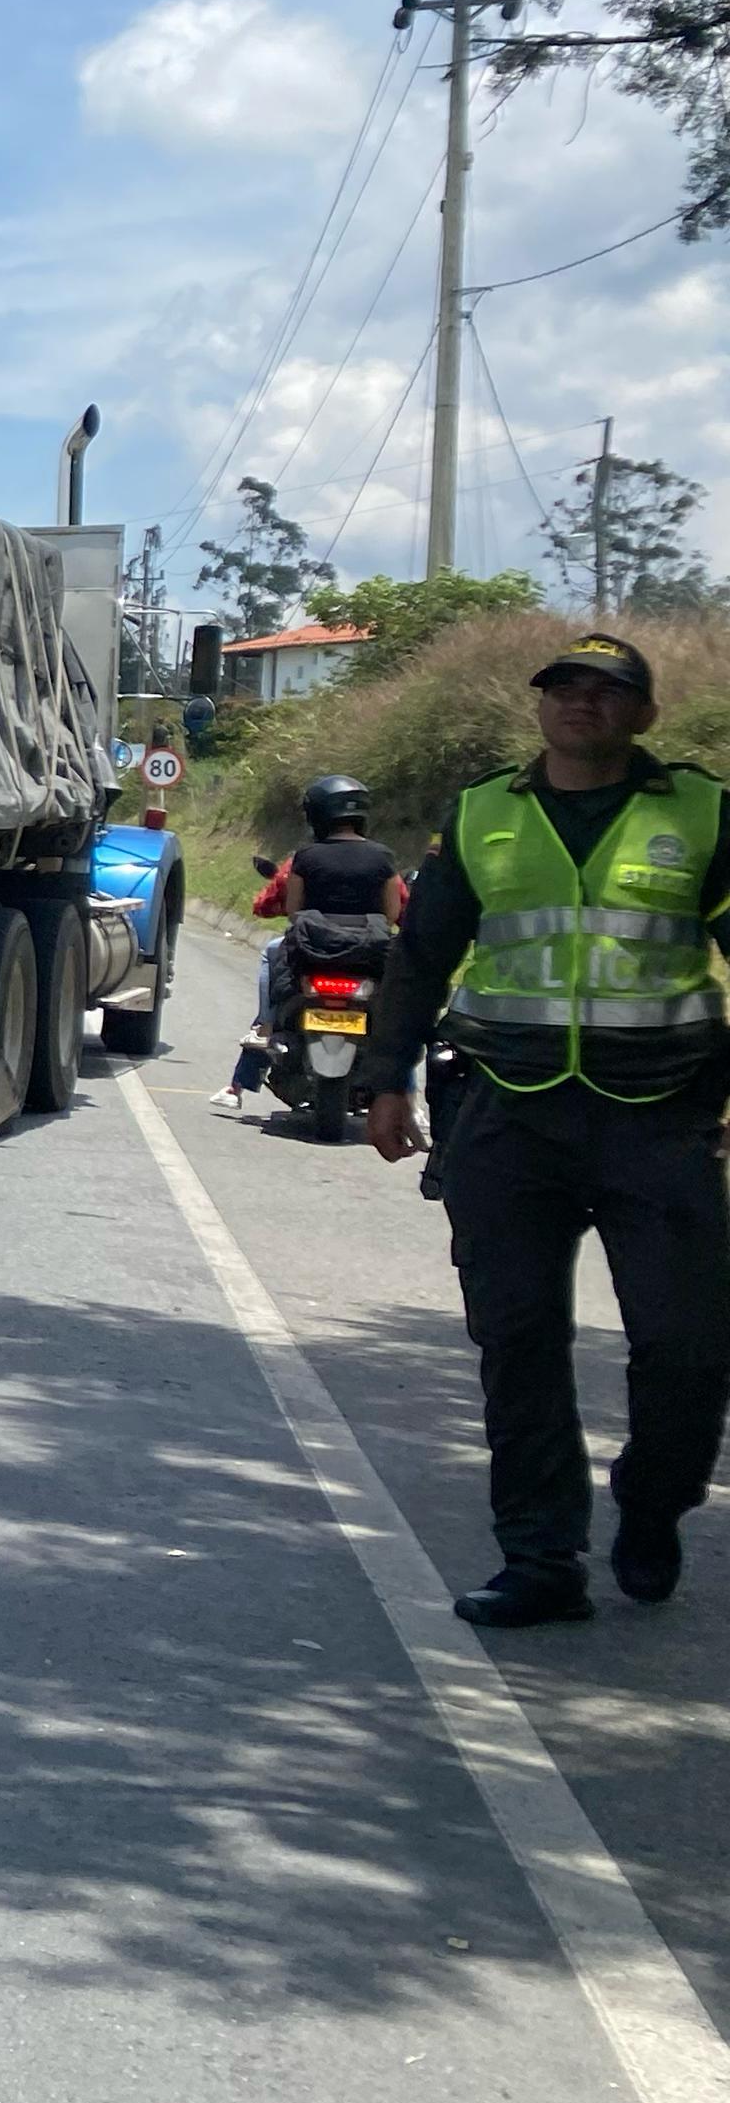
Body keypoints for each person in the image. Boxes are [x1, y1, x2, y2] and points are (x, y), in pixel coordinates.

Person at [357, 632, 730, 1626]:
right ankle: (540, 1559)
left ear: (645, 715)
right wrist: (383, 1076)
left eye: (608, 693)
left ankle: (654, 1506)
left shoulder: (701, 813)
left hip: (661, 1119)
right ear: (540, 707)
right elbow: (423, 953)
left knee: (689, 1347)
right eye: (564, 688)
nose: (582, 705)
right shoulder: (484, 814)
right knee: (518, 1342)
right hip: (509, 1114)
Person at [211, 773, 402, 1115]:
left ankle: (265, 1026)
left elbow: (294, 912)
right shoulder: (384, 858)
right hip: (368, 953)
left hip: (313, 950)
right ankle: (407, 1098)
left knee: (271, 953)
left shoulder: (306, 857)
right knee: (398, 1022)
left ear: (318, 814)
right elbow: (391, 912)